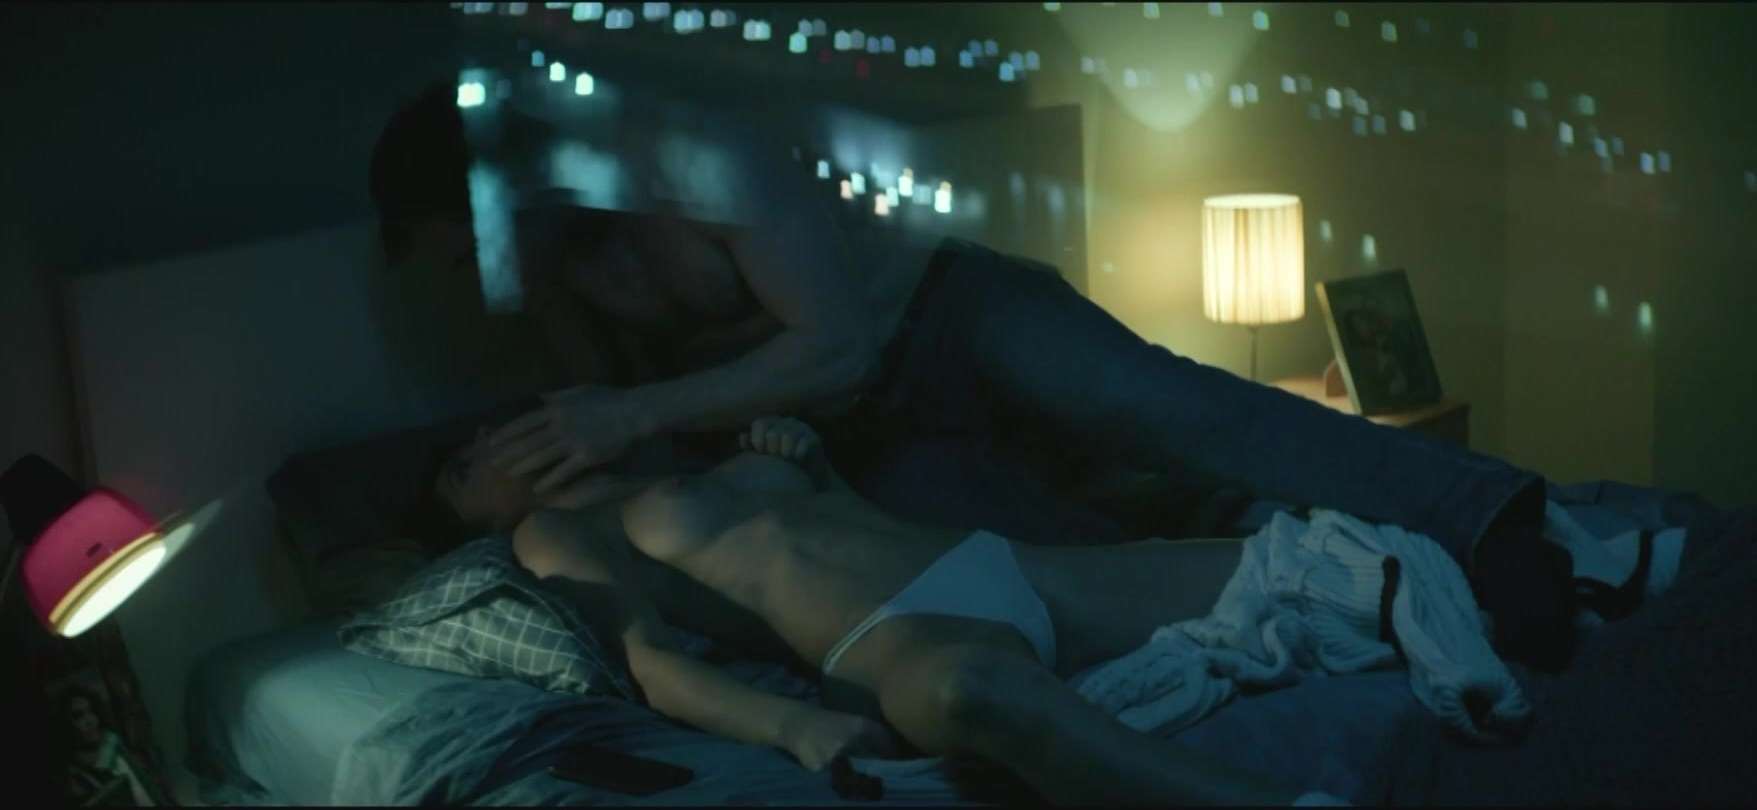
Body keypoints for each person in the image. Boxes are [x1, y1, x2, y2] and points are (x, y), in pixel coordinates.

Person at [370, 83, 1576, 671]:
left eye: (470, 242)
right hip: (850, 429)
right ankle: (1339, 584)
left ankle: (1496, 517)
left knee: (1157, 404)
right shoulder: (558, 284)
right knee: (1023, 561)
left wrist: (631, 412)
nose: (481, 276)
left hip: (942, 314)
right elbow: (641, 440)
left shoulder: (692, 159)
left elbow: (833, 340)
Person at [431, 414, 1313, 805]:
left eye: (477, 438)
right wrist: (795, 727)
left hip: (993, 560)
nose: (482, 443)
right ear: (474, 521)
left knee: (1318, 558)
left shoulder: (659, 464)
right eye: (462, 469)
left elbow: (849, 525)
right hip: (891, 639)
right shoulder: (549, 531)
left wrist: (809, 463)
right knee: (975, 693)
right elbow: (650, 660)